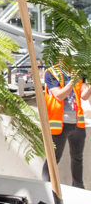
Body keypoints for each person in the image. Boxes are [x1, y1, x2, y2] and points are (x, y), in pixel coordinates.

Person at [42, 57, 90, 188]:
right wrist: (71, 82)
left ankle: (79, 189)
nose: (72, 57)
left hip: (77, 124)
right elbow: (59, 95)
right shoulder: (51, 73)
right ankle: (45, 188)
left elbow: (84, 95)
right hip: (59, 124)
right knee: (53, 160)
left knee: (77, 158)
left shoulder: (77, 72)